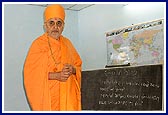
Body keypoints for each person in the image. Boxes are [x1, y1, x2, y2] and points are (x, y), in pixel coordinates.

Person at [23, 4, 82, 111]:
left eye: (59, 23)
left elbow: (78, 66)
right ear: (45, 26)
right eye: (51, 23)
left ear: (63, 26)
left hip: (67, 96)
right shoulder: (38, 44)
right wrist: (56, 75)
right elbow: (31, 75)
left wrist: (72, 69)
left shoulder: (68, 44)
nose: (55, 27)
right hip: (48, 97)